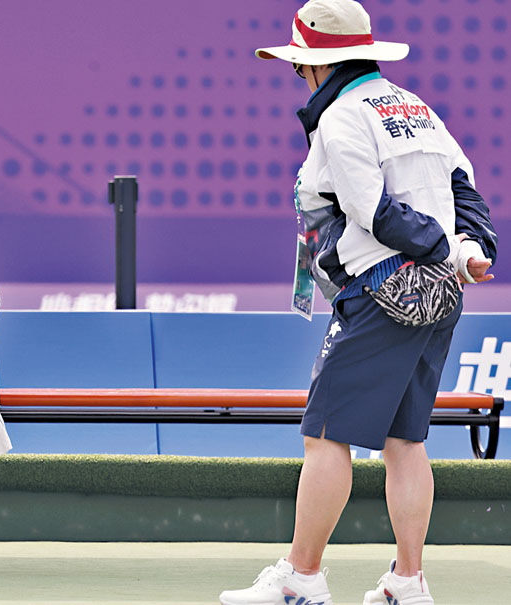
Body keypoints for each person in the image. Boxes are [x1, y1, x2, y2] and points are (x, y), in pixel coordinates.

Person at [219, 1, 497, 604]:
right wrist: (468, 251)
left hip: (382, 291)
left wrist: (443, 251)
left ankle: (302, 578)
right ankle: (407, 581)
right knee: (405, 441)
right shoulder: (416, 108)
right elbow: (465, 191)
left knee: (325, 434)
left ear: (319, 66)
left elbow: (371, 211)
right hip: (442, 297)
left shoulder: (342, 116)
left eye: (298, 68)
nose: (298, 77)